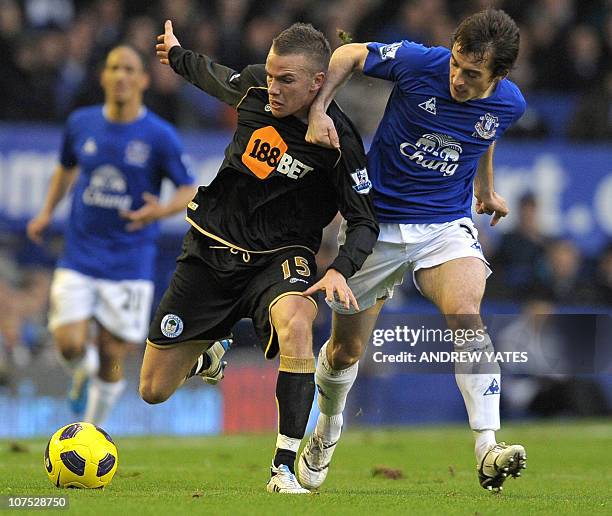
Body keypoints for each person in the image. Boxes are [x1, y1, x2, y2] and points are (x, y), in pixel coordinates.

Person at [139, 21, 378, 494]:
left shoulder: (338, 142)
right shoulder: (255, 89)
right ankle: (210, 349)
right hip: (211, 249)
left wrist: (339, 269)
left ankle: (284, 467)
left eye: (285, 80)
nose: (272, 87)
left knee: (297, 323)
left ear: (317, 83)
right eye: (269, 75)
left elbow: (365, 219)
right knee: (152, 390)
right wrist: (177, 54)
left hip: (280, 260)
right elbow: (215, 76)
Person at [298, 9, 528, 492]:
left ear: (499, 76)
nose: (458, 79)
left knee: (467, 313)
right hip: (375, 226)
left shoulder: (511, 103)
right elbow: (346, 53)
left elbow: (483, 132)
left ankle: (487, 447)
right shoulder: (420, 62)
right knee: (345, 351)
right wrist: (319, 110)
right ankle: (326, 428)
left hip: (445, 225)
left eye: (472, 75)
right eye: (457, 66)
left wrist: (485, 189)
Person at [27, 45, 197, 426]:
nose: (121, 75)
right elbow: (65, 169)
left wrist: (160, 210)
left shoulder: (159, 135)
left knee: (112, 352)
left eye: (129, 69)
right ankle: (81, 372)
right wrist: (44, 213)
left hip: (130, 260)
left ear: (142, 80)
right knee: (69, 344)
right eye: (113, 67)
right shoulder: (81, 123)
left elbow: (188, 189)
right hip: (80, 255)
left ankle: (90, 429)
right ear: (104, 77)